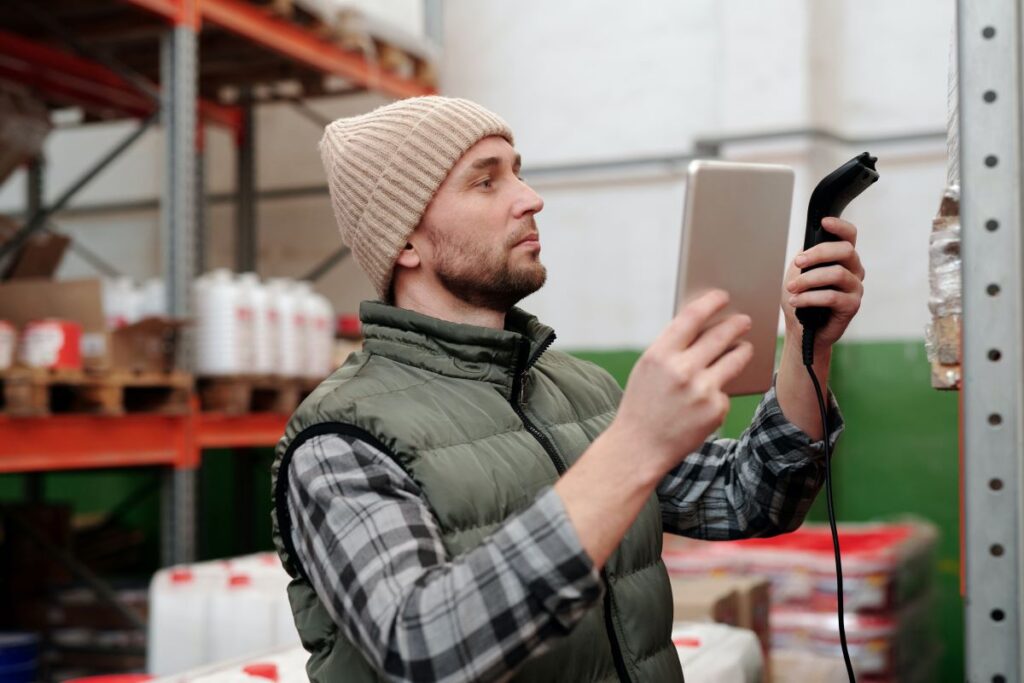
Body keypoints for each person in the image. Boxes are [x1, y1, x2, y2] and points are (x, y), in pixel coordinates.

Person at [270, 96, 864, 683]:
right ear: (405, 243)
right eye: (485, 183)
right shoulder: (339, 439)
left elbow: (752, 497)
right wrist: (634, 445)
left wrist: (808, 344)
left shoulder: (582, 392)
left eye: (518, 174)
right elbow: (429, 651)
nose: (530, 199)